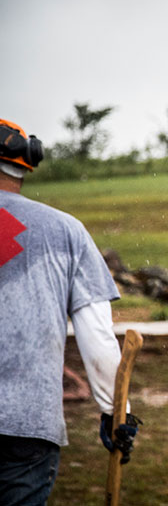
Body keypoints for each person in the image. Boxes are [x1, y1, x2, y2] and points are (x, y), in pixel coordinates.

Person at [0, 119, 141, 505]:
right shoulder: (66, 231)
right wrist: (117, 413)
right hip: (27, 427)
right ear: (26, 165)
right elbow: (96, 337)